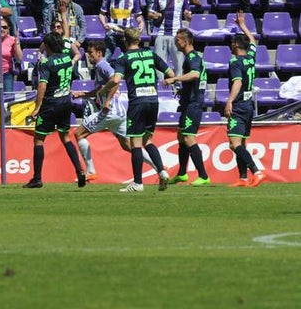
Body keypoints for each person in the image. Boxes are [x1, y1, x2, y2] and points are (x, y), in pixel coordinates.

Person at [107, 27, 174, 192]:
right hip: (153, 100)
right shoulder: (150, 53)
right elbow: (170, 73)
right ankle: (161, 171)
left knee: (135, 143)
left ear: (125, 40)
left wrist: (103, 90)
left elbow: (116, 79)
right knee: (148, 140)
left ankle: (137, 183)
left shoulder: (123, 58)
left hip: (137, 102)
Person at [24, 32, 88, 189]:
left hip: (50, 104)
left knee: (39, 139)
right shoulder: (67, 59)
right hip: (66, 102)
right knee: (66, 137)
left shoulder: (46, 63)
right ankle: (80, 171)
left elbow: (42, 85)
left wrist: (37, 108)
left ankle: (37, 178)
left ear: (48, 45)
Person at [71, 38, 137, 181]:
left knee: (78, 134)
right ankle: (160, 167)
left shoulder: (102, 65)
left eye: (91, 53)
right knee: (128, 145)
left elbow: (115, 80)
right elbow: (101, 89)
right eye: (88, 53)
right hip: (119, 112)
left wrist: (106, 102)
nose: (88, 56)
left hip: (109, 111)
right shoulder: (99, 67)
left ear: (99, 53)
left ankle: (90, 171)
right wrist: (83, 94)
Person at [222, 12, 266, 187]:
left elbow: (238, 82)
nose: (231, 46)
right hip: (249, 106)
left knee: (234, 144)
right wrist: (243, 26)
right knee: (242, 143)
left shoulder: (236, 62)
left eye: (232, 43)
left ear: (235, 45)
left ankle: (257, 171)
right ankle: (242, 178)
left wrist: (229, 101)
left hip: (239, 105)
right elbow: (253, 42)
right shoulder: (250, 57)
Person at [164, 28, 211, 185]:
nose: (176, 42)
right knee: (181, 137)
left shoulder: (192, 57)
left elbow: (195, 74)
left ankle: (203, 176)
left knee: (189, 138)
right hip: (188, 103)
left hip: (194, 105)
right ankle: (182, 173)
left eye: (178, 39)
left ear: (185, 41)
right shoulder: (190, 57)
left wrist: (175, 79)